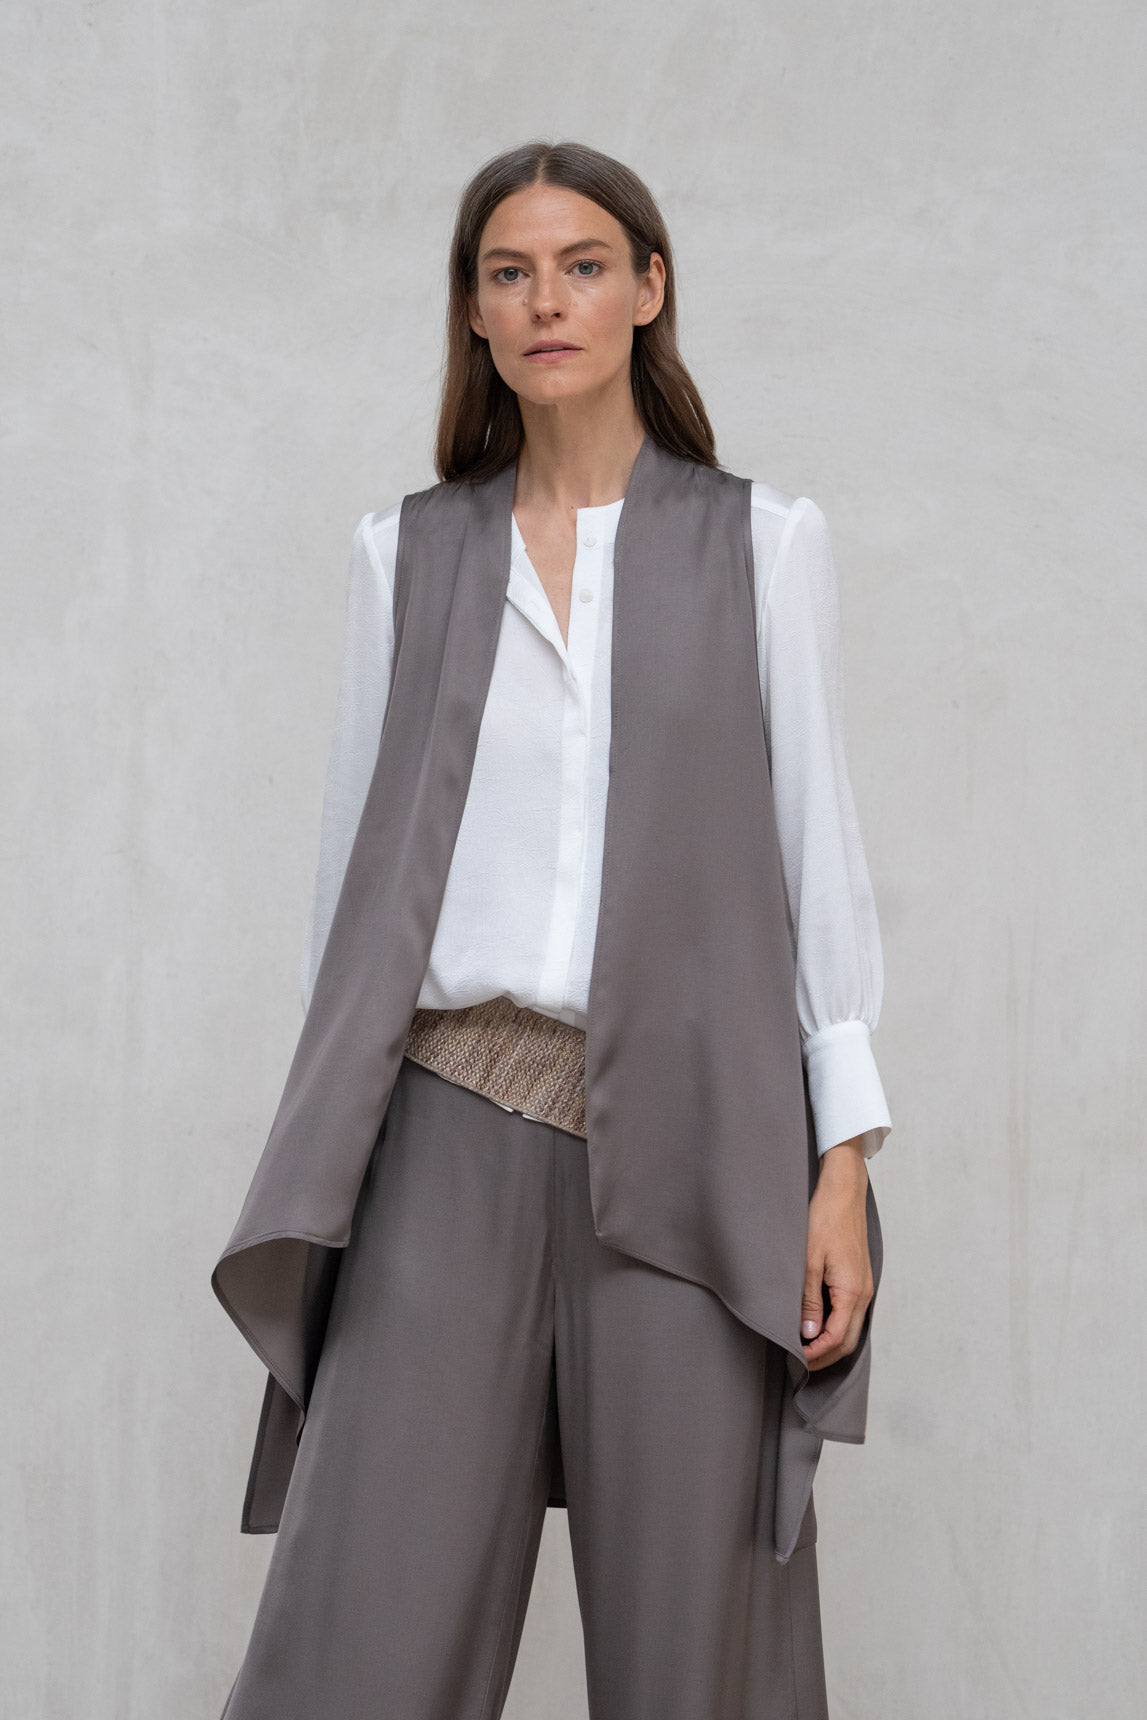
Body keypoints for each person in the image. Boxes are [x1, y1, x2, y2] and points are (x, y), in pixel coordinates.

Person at [213, 138, 891, 1720]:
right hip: (447, 1123)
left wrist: (841, 1167)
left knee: (699, 1648)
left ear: (649, 290)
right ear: (473, 310)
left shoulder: (763, 545)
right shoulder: (405, 558)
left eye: (583, 266)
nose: (546, 302)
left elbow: (819, 862)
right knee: (360, 1637)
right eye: (509, 273)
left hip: (701, 1143)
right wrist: (336, 1158)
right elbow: (352, 897)